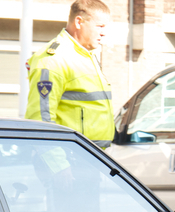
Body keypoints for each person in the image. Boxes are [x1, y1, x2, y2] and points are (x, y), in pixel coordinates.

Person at [26, 0, 114, 148]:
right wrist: (59, 166)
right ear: (79, 22)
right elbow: (40, 119)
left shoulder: (85, 56)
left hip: (87, 157)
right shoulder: (53, 59)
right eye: (100, 26)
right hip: (69, 158)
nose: (103, 33)